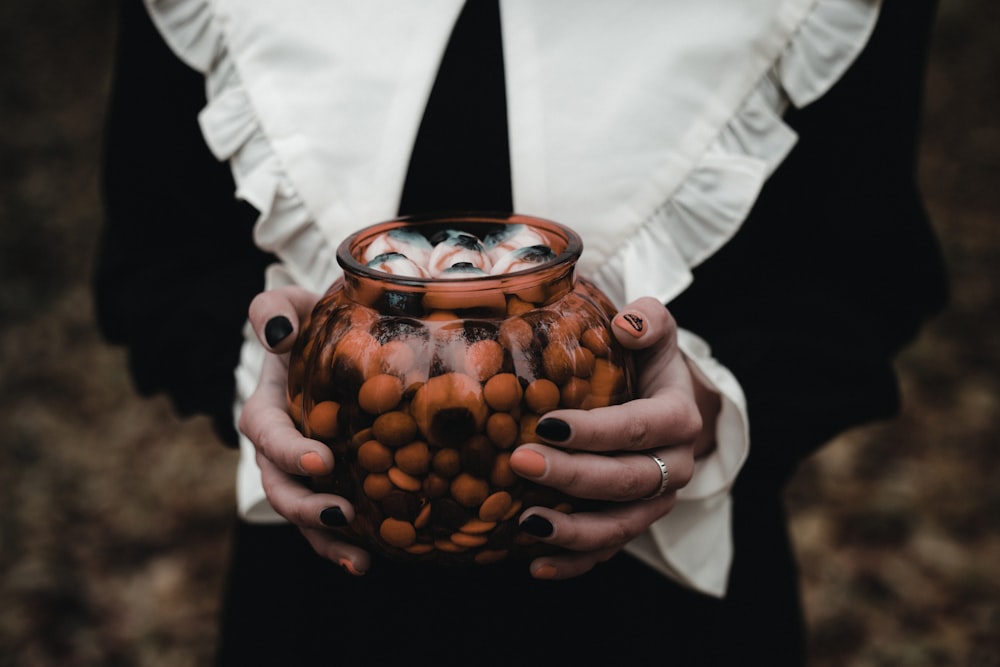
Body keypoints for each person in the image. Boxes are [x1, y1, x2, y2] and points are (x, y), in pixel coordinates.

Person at [95, 0, 947, 665]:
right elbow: (155, 253)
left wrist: (714, 410)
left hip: (660, 623)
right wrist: (275, 371)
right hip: (324, 598)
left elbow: (859, 273)